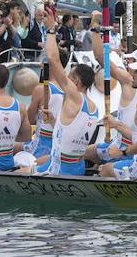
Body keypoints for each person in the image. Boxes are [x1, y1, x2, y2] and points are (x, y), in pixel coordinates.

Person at [39, 32, 99, 176]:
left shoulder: (75, 97)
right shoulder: (94, 108)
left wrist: (51, 31)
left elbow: (53, 59)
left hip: (58, 169)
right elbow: (71, 136)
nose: (65, 78)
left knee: (22, 169)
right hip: (77, 168)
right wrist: (54, 121)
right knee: (37, 161)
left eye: (69, 76)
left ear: (76, 82)